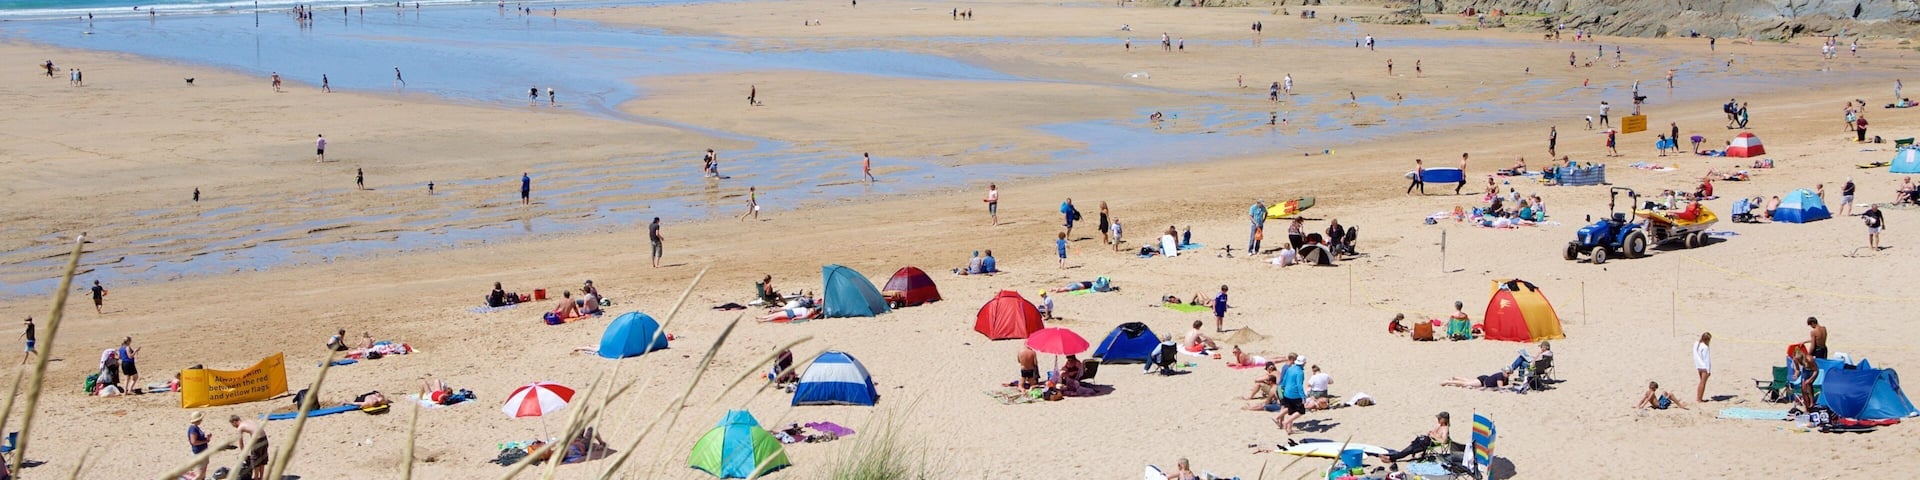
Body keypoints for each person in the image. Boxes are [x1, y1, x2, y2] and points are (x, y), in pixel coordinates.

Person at [1374, 412, 1451, 463]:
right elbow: (1433, 433)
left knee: (1409, 449)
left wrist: (1434, 435)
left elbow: (1444, 441)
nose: (1438, 419)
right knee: (1410, 447)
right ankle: (1391, 457)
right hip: (1427, 440)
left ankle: (1391, 458)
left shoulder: (1445, 429)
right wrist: (1431, 433)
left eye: (1439, 418)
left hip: (1429, 443)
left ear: (1444, 419)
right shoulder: (1439, 425)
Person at [231, 414, 270, 480]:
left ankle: (256, 477)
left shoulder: (240, 427)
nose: (234, 426)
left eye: (233, 425)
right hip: (264, 438)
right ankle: (261, 477)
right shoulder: (249, 421)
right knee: (262, 459)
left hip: (257, 440)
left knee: (255, 460)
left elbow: (241, 442)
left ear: (234, 422)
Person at [1275, 355, 1307, 433]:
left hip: (1286, 392)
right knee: (1301, 411)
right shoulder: (1300, 372)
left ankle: (1289, 429)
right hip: (1295, 394)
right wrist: (1303, 396)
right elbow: (1299, 385)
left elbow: (1284, 380)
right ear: (1304, 363)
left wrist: (1282, 389)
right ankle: (1286, 422)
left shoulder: (1290, 369)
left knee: (1290, 410)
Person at [187, 412, 211, 479]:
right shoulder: (193, 428)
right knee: (200, 475)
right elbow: (194, 442)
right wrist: (205, 441)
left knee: (202, 474)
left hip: (202, 451)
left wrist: (207, 438)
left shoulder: (196, 428)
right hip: (199, 453)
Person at [1441, 369, 1511, 389]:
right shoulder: (1500, 377)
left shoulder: (1506, 378)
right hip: (1483, 382)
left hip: (1485, 379)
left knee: (1469, 381)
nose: (1509, 374)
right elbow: (1500, 388)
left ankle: (1456, 378)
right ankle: (1448, 382)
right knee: (1465, 384)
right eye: (1508, 373)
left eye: (1510, 373)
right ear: (1503, 372)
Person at [1694, 332, 1712, 403]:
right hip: (1704, 367)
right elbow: (1707, 360)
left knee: (1701, 382)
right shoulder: (1705, 347)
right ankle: (1699, 398)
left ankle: (1699, 398)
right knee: (1703, 383)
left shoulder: (1696, 344)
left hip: (1698, 365)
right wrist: (1709, 371)